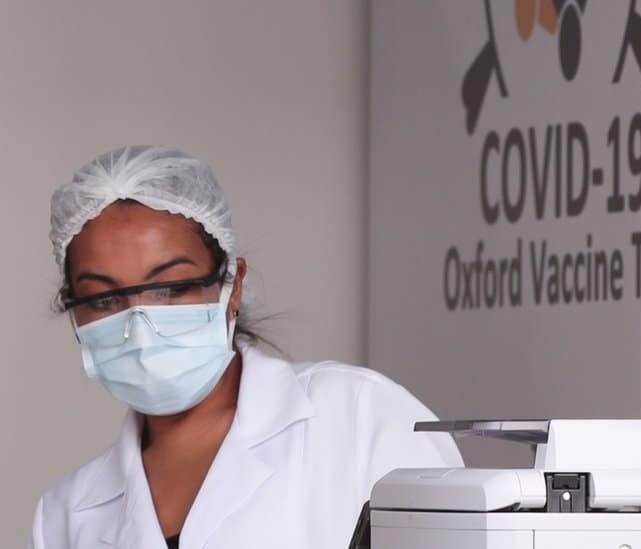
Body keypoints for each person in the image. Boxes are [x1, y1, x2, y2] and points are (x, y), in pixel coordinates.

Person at [29, 146, 462, 549]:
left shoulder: (361, 418)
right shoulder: (64, 515)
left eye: (172, 288)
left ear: (231, 287)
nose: (140, 325)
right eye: (104, 299)